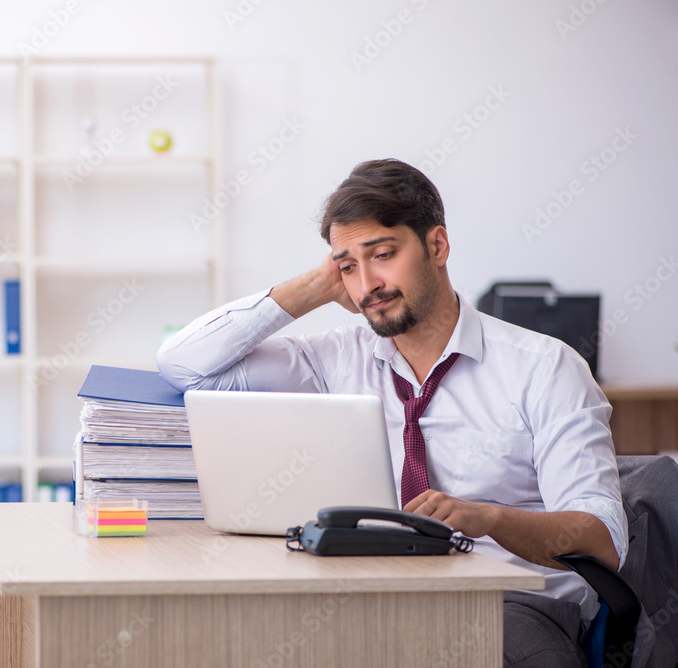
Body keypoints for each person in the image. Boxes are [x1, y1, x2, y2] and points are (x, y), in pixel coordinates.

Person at [156, 159, 627, 667]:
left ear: (437, 246)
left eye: (383, 255)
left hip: (511, 605)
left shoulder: (545, 367)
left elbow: (602, 540)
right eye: (348, 267)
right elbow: (185, 365)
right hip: (375, 595)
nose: (367, 285)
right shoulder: (335, 359)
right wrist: (314, 286)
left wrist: (487, 517)